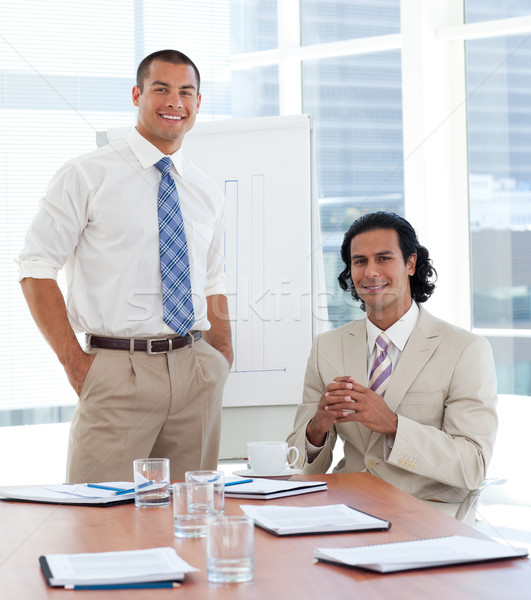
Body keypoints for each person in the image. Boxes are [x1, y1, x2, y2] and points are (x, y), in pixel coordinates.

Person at [17, 49, 233, 483]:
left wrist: (221, 355)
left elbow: (212, 279)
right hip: (116, 371)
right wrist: (75, 364)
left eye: (185, 92)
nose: (175, 102)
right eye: (161, 89)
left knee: (188, 519)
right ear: (137, 94)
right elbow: (36, 267)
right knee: (97, 521)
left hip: (193, 369)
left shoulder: (205, 190)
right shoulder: (86, 175)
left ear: (198, 103)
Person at [287, 211, 497, 521]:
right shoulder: (326, 347)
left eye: (383, 258)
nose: (370, 272)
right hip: (346, 513)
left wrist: (393, 425)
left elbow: (473, 466)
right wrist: (317, 427)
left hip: (429, 516)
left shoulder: (465, 349)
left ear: (411, 263)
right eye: (360, 261)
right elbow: (298, 469)